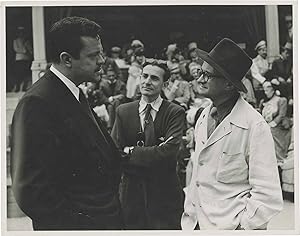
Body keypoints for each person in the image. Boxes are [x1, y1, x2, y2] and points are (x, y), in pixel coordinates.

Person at [10, 16, 123, 230]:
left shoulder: (74, 93)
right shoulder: (37, 102)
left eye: (101, 52)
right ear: (67, 59)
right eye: (93, 55)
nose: (102, 60)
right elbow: (31, 191)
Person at [181, 38, 283, 230]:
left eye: (207, 75)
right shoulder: (203, 116)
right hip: (195, 223)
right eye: (200, 72)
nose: (200, 79)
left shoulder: (254, 126)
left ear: (229, 85)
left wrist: (241, 227)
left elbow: (268, 196)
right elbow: (197, 170)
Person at [112, 60, 185, 229]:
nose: (147, 82)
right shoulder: (123, 111)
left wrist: (131, 151)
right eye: (144, 76)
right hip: (131, 195)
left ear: (165, 84)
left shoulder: (174, 112)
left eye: (154, 78)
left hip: (164, 194)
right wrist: (155, 151)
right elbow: (115, 153)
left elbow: (169, 153)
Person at [250, 40, 271, 105]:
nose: (265, 52)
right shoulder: (254, 61)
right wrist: (264, 81)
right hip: (258, 84)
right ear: (258, 51)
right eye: (263, 50)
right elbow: (255, 74)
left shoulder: (267, 61)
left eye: (265, 50)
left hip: (267, 83)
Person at [13, 26, 33, 92]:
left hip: (26, 59)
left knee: (25, 74)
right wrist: (24, 50)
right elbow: (16, 49)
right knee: (19, 74)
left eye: (22, 32)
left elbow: (30, 50)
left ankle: (24, 87)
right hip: (19, 59)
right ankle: (17, 87)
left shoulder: (26, 41)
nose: (21, 33)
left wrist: (28, 51)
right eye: (19, 32)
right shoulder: (15, 41)